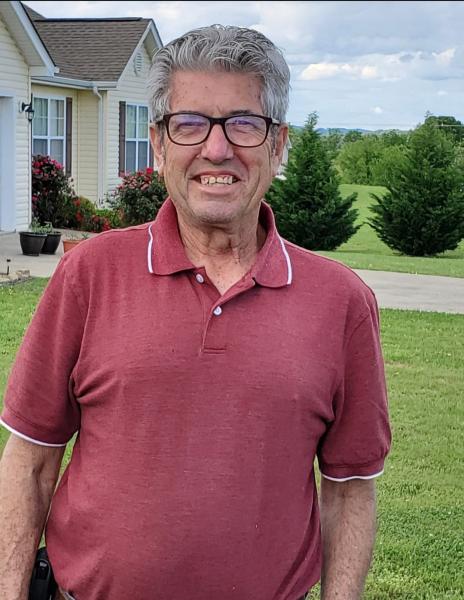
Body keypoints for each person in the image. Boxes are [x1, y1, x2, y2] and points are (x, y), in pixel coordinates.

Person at [0, 24, 391, 600]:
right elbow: (30, 461)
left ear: (278, 145)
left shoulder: (342, 303)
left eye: (244, 123)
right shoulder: (88, 275)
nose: (216, 149)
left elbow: (350, 488)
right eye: (189, 124)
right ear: (159, 145)